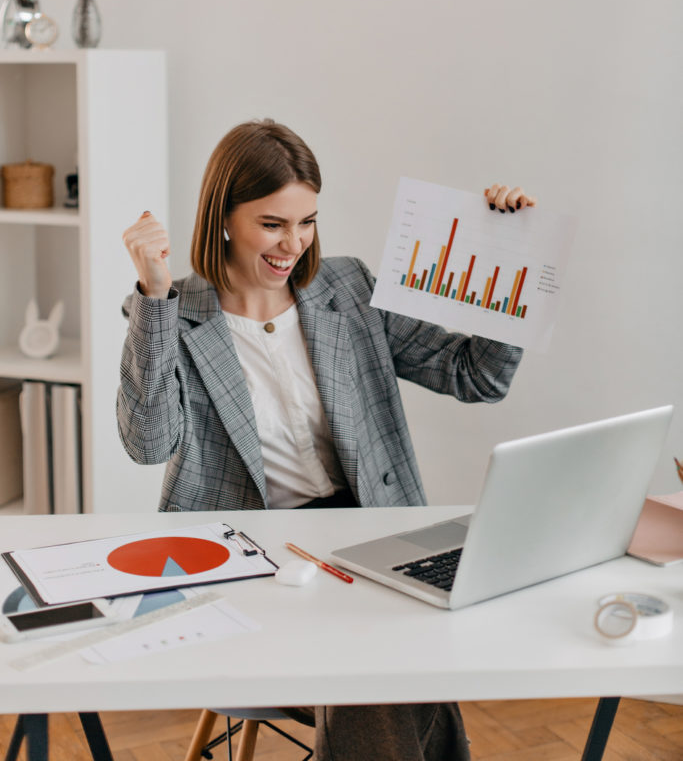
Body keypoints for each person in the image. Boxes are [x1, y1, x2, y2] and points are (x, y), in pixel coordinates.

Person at [118, 118, 537, 761]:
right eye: (273, 223)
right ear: (223, 218)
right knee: (384, 665)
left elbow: (474, 375)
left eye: (307, 221)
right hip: (253, 560)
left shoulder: (349, 289)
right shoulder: (176, 311)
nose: (294, 243)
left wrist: (508, 256)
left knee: (391, 654)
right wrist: (152, 292)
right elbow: (149, 443)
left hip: (370, 540)